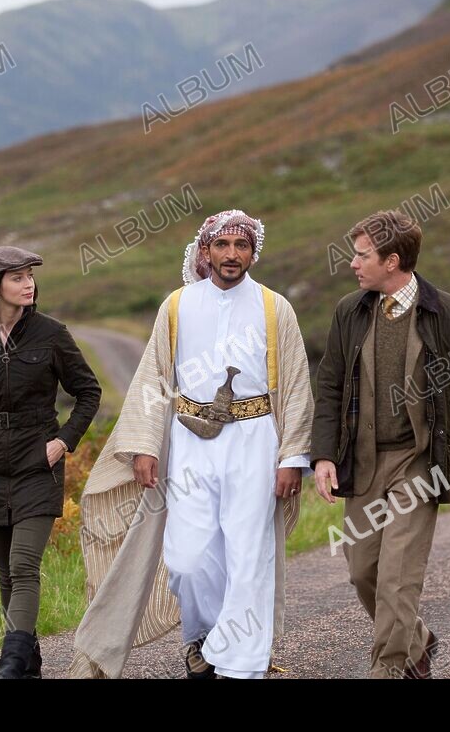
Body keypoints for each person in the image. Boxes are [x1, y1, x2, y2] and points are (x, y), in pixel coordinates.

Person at [68, 210, 313, 679]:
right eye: (222, 245)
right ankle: (203, 639)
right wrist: (144, 445)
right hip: (190, 442)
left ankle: (240, 665)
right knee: (187, 558)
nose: (232, 254)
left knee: (248, 552)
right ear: (205, 251)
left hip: (254, 440)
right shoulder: (177, 306)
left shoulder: (273, 306)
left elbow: (298, 384)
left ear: (253, 252)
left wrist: (293, 457)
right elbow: (153, 380)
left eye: (241, 245)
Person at [310, 209, 450, 679]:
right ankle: (418, 639)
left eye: (362, 255)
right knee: (362, 570)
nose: (352, 263)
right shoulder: (351, 310)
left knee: (396, 579)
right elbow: (328, 386)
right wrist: (324, 455)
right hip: (363, 462)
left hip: (418, 465)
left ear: (392, 261)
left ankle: (388, 668)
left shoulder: (449, 314)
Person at [0, 245, 101, 678]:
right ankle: (28, 660)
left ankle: (9, 664)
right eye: (17, 276)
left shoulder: (51, 333)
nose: (28, 283)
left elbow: (89, 392)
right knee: (5, 574)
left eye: (30, 275)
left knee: (24, 565)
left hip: (38, 462)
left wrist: (63, 442)